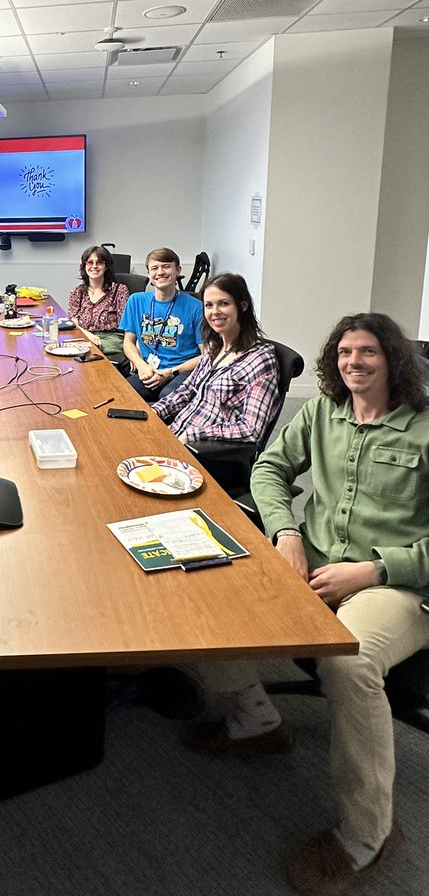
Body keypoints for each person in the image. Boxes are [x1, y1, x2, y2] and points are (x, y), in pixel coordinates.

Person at [184, 312, 429, 895]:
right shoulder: (324, 412)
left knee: (349, 660)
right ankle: (256, 718)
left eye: (367, 352)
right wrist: (285, 532)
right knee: (206, 594)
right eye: (344, 352)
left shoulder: (424, 428)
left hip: (395, 585)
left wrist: (372, 568)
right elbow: (269, 468)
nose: (354, 362)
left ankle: (369, 834)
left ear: (393, 360)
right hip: (313, 559)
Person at [151, 273, 280, 488]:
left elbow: (250, 429)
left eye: (224, 304)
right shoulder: (214, 347)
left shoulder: (260, 360)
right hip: (175, 440)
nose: (215, 312)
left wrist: (192, 435)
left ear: (243, 305)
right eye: (209, 305)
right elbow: (188, 390)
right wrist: (155, 412)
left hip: (207, 458)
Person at [119, 247, 204, 401]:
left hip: (182, 371)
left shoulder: (196, 307)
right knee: (123, 394)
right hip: (150, 370)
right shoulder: (136, 301)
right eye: (154, 268)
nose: (160, 272)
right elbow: (128, 343)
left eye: (166, 266)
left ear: (178, 270)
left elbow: (207, 355)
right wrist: (141, 365)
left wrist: (172, 371)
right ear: (148, 274)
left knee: (168, 397)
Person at [67, 245, 129, 358]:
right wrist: (88, 335)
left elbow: (126, 326)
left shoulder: (119, 291)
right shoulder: (77, 292)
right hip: (83, 338)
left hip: (111, 341)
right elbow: (74, 322)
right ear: (85, 266)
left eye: (99, 262)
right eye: (90, 262)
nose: (94, 266)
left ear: (106, 266)